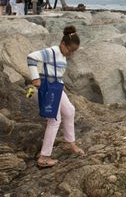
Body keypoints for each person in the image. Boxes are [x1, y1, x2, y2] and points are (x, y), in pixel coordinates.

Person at [27, 25, 85, 168]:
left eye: (73, 52)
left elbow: (56, 71)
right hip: (48, 88)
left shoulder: (63, 55)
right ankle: (44, 157)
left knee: (69, 111)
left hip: (57, 87)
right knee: (54, 119)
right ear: (62, 44)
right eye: (69, 50)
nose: (70, 54)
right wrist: (35, 78)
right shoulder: (51, 51)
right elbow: (31, 58)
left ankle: (69, 143)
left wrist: (62, 84)